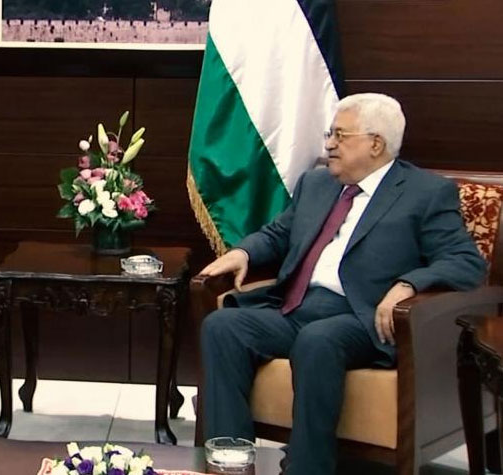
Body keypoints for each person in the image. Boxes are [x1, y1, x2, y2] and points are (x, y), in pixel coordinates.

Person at [198, 93, 486, 475]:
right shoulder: (316, 184)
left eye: (340, 135)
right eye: (329, 134)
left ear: (376, 143)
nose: (329, 144)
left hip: (363, 318)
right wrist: (244, 253)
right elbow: (279, 233)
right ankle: (229, 462)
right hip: (296, 306)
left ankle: (306, 468)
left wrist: (409, 284)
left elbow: (466, 262)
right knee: (223, 326)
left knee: (318, 339)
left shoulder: (425, 193)